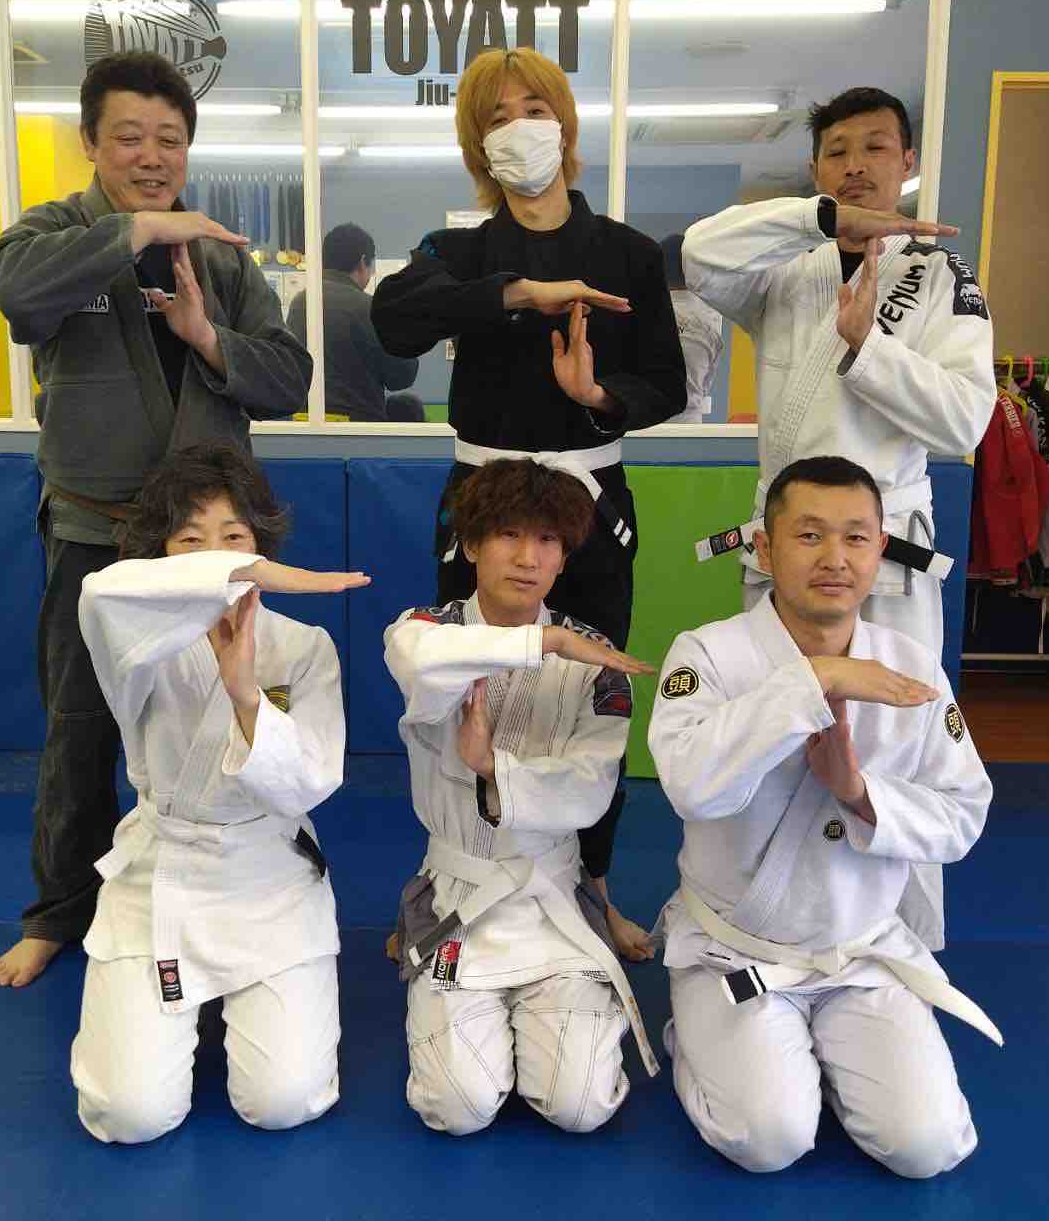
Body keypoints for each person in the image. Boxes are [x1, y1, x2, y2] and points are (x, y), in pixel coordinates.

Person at [0, 51, 313, 988]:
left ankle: (233, 886)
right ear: (91, 143)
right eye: (129, 137)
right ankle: (60, 912)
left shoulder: (222, 257)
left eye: (170, 139)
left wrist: (206, 336)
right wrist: (134, 231)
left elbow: (289, 381)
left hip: (207, 548)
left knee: (221, 711)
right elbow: (14, 292)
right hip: (96, 537)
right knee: (80, 727)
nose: (152, 155)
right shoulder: (53, 235)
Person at [373, 47, 686, 959]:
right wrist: (518, 294)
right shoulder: (458, 253)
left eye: (535, 110)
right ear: (478, 144)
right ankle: (446, 875)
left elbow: (666, 381)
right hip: (483, 499)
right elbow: (394, 320)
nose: (520, 130)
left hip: (589, 496)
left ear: (566, 122)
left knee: (593, 688)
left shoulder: (627, 252)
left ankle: (592, 885)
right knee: (462, 682)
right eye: (498, 118)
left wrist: (598, 395)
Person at [682, 86, 997, 950]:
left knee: (898, 738)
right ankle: (763, 914)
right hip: (785, 547)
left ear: (908, 162)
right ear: (818, 170)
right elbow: (702, 254)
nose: (856, 165)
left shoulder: (940, 277)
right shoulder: (788, 267)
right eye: (837, 151)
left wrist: (870, 349)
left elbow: (966, 421)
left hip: (883, 556)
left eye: (876, 147)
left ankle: (901, 936)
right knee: (773, 725)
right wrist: (818, 221)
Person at [649, 456, 999, 1179]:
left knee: (927, 1147)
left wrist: (859, 794)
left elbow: (963, 813)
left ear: (881, 549)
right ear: (765, 547)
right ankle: (700, 1033)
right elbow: (691, 787)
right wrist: (815, 680)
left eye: (856, 537)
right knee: (768, 1141)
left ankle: (818, 1063)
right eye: (809, 536)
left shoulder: (913, 669)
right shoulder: (708, 655)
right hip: (736, 953)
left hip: (858, 951)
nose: (835, 558)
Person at [70, 442, 369, 1143]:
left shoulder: (303, 647)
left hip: (268, 875)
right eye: (190, 540)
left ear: (262, 541)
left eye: (235, 537)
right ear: (158, 553)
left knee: (285, 1102)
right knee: (131, 1116)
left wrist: (245, 694)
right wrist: (239, 573)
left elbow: (309, 782)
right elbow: (97, 591)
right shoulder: (137, 644)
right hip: (164, 875)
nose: (215, 557)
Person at [384, 459, 661, 1135]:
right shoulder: (424, 629)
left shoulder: (595, 660)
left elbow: (590, 791)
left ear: (565, 557)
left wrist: (493, 769)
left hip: (551, 900)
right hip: (459, 900)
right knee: (458, 1108)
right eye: (508, 535)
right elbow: (419, 663)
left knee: (580, 1107)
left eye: (547, 540)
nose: (527, 557)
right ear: (471, 546)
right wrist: (542, 642)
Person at [286, 222, 423, 422]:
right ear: (362, 261)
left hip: (304, 423)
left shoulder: (300, 303)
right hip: (358, 428)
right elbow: (401, 377)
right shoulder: (368, 307)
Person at [660, 231, 723, 423]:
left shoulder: (641, 314)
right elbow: (707, 381)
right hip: (690, 426)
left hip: (646, 426)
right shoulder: (711, 319)